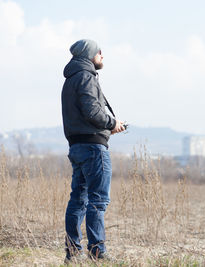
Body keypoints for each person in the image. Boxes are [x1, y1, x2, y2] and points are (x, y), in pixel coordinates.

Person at [61, 39, 125, 263]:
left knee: (78, 200)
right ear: (90, 54)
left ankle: (73, 253)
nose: (102, 56)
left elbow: (82, 117)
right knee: (97, 201)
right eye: (100, 52)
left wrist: (107, 128)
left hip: (77, 146)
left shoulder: (70, 80)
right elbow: (92, 112)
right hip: (93, 148)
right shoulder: (87, 77)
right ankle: (97, 252)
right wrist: (111, 123)